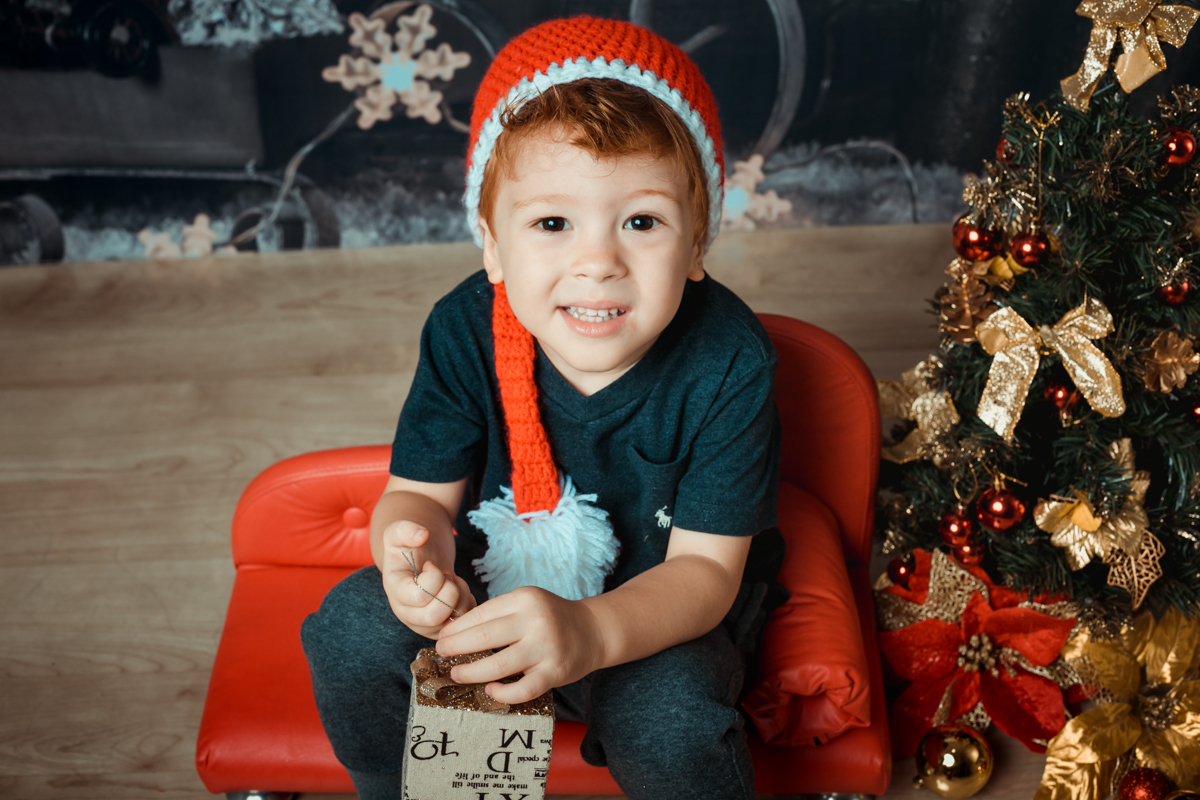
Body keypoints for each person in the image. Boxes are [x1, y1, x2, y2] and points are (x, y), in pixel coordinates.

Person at [301, 15, 782, 800]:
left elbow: (705, 572)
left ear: (698, 243)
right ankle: (402, 789)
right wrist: (414, 563)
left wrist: (591, 632)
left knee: (671, 717)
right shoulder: (464, 327)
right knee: (352, 629)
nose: (597, 262)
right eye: (553, 223)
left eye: (642, 222)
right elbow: (417, 495)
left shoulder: (729, 360)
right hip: (493, 592)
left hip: (653, 616)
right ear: (492, 244)